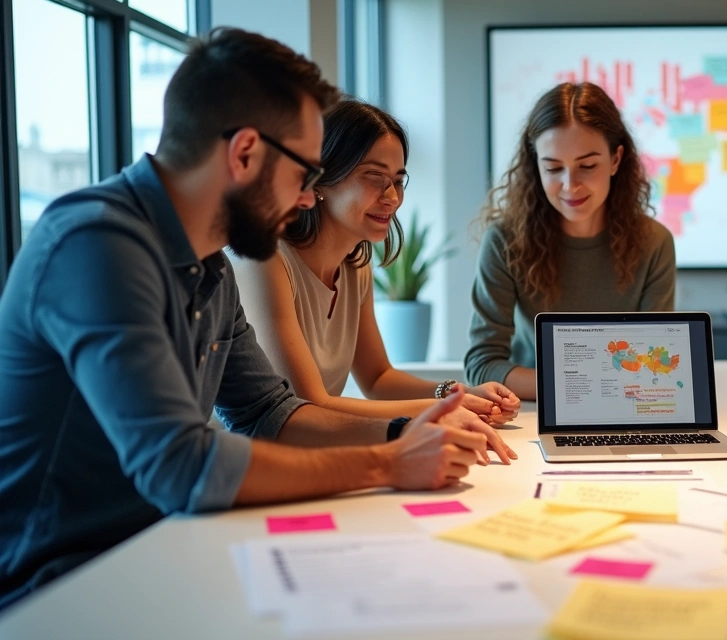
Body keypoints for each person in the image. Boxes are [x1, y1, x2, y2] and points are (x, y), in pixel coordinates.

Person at [0, 28, 486, 611]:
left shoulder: (212, 266)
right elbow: (180, 466)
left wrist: (404, 432)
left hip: (165, 547)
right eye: (304, 173)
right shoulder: (98, 245)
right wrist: (386, 462)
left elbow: (268, 413)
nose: (308, 198)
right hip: (59, 586)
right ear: (245, 153)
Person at [231, 99, 518, 464]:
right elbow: (309, 403)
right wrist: (441, 411)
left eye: (398, 180)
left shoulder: (355, 264)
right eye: (374, 177)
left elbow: (378, 378)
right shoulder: (263, 258)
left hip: (317, 457)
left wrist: (458, 395)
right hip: (252, 465)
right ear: (321, 179)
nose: (393, 197)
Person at [465, 82, 676, 400]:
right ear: (535, 165)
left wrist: (586, 388)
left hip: (626, 409)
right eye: (552, 168)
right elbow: (482, 365)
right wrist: (579, 388)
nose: (570, 186)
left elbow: (654, 364)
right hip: (534, 415)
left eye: (587, 166)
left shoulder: (654, 242)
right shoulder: (505, 241)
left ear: (616, 159)